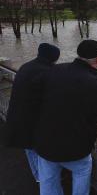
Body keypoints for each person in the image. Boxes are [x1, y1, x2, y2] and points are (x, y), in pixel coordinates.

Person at [34, 40, 97, 195]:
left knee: (48, 180)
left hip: (44, 141)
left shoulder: (54, 70)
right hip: (75, 148)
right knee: (81, 172)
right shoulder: (91, 82)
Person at [5, 43, 60, 182]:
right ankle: (43, 179)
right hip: (32, 121)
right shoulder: (47, 72)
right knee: (37, 149)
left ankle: (39, 176)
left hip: (17, 117)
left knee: (29, 148)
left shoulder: (26, 66)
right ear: (53, 58)